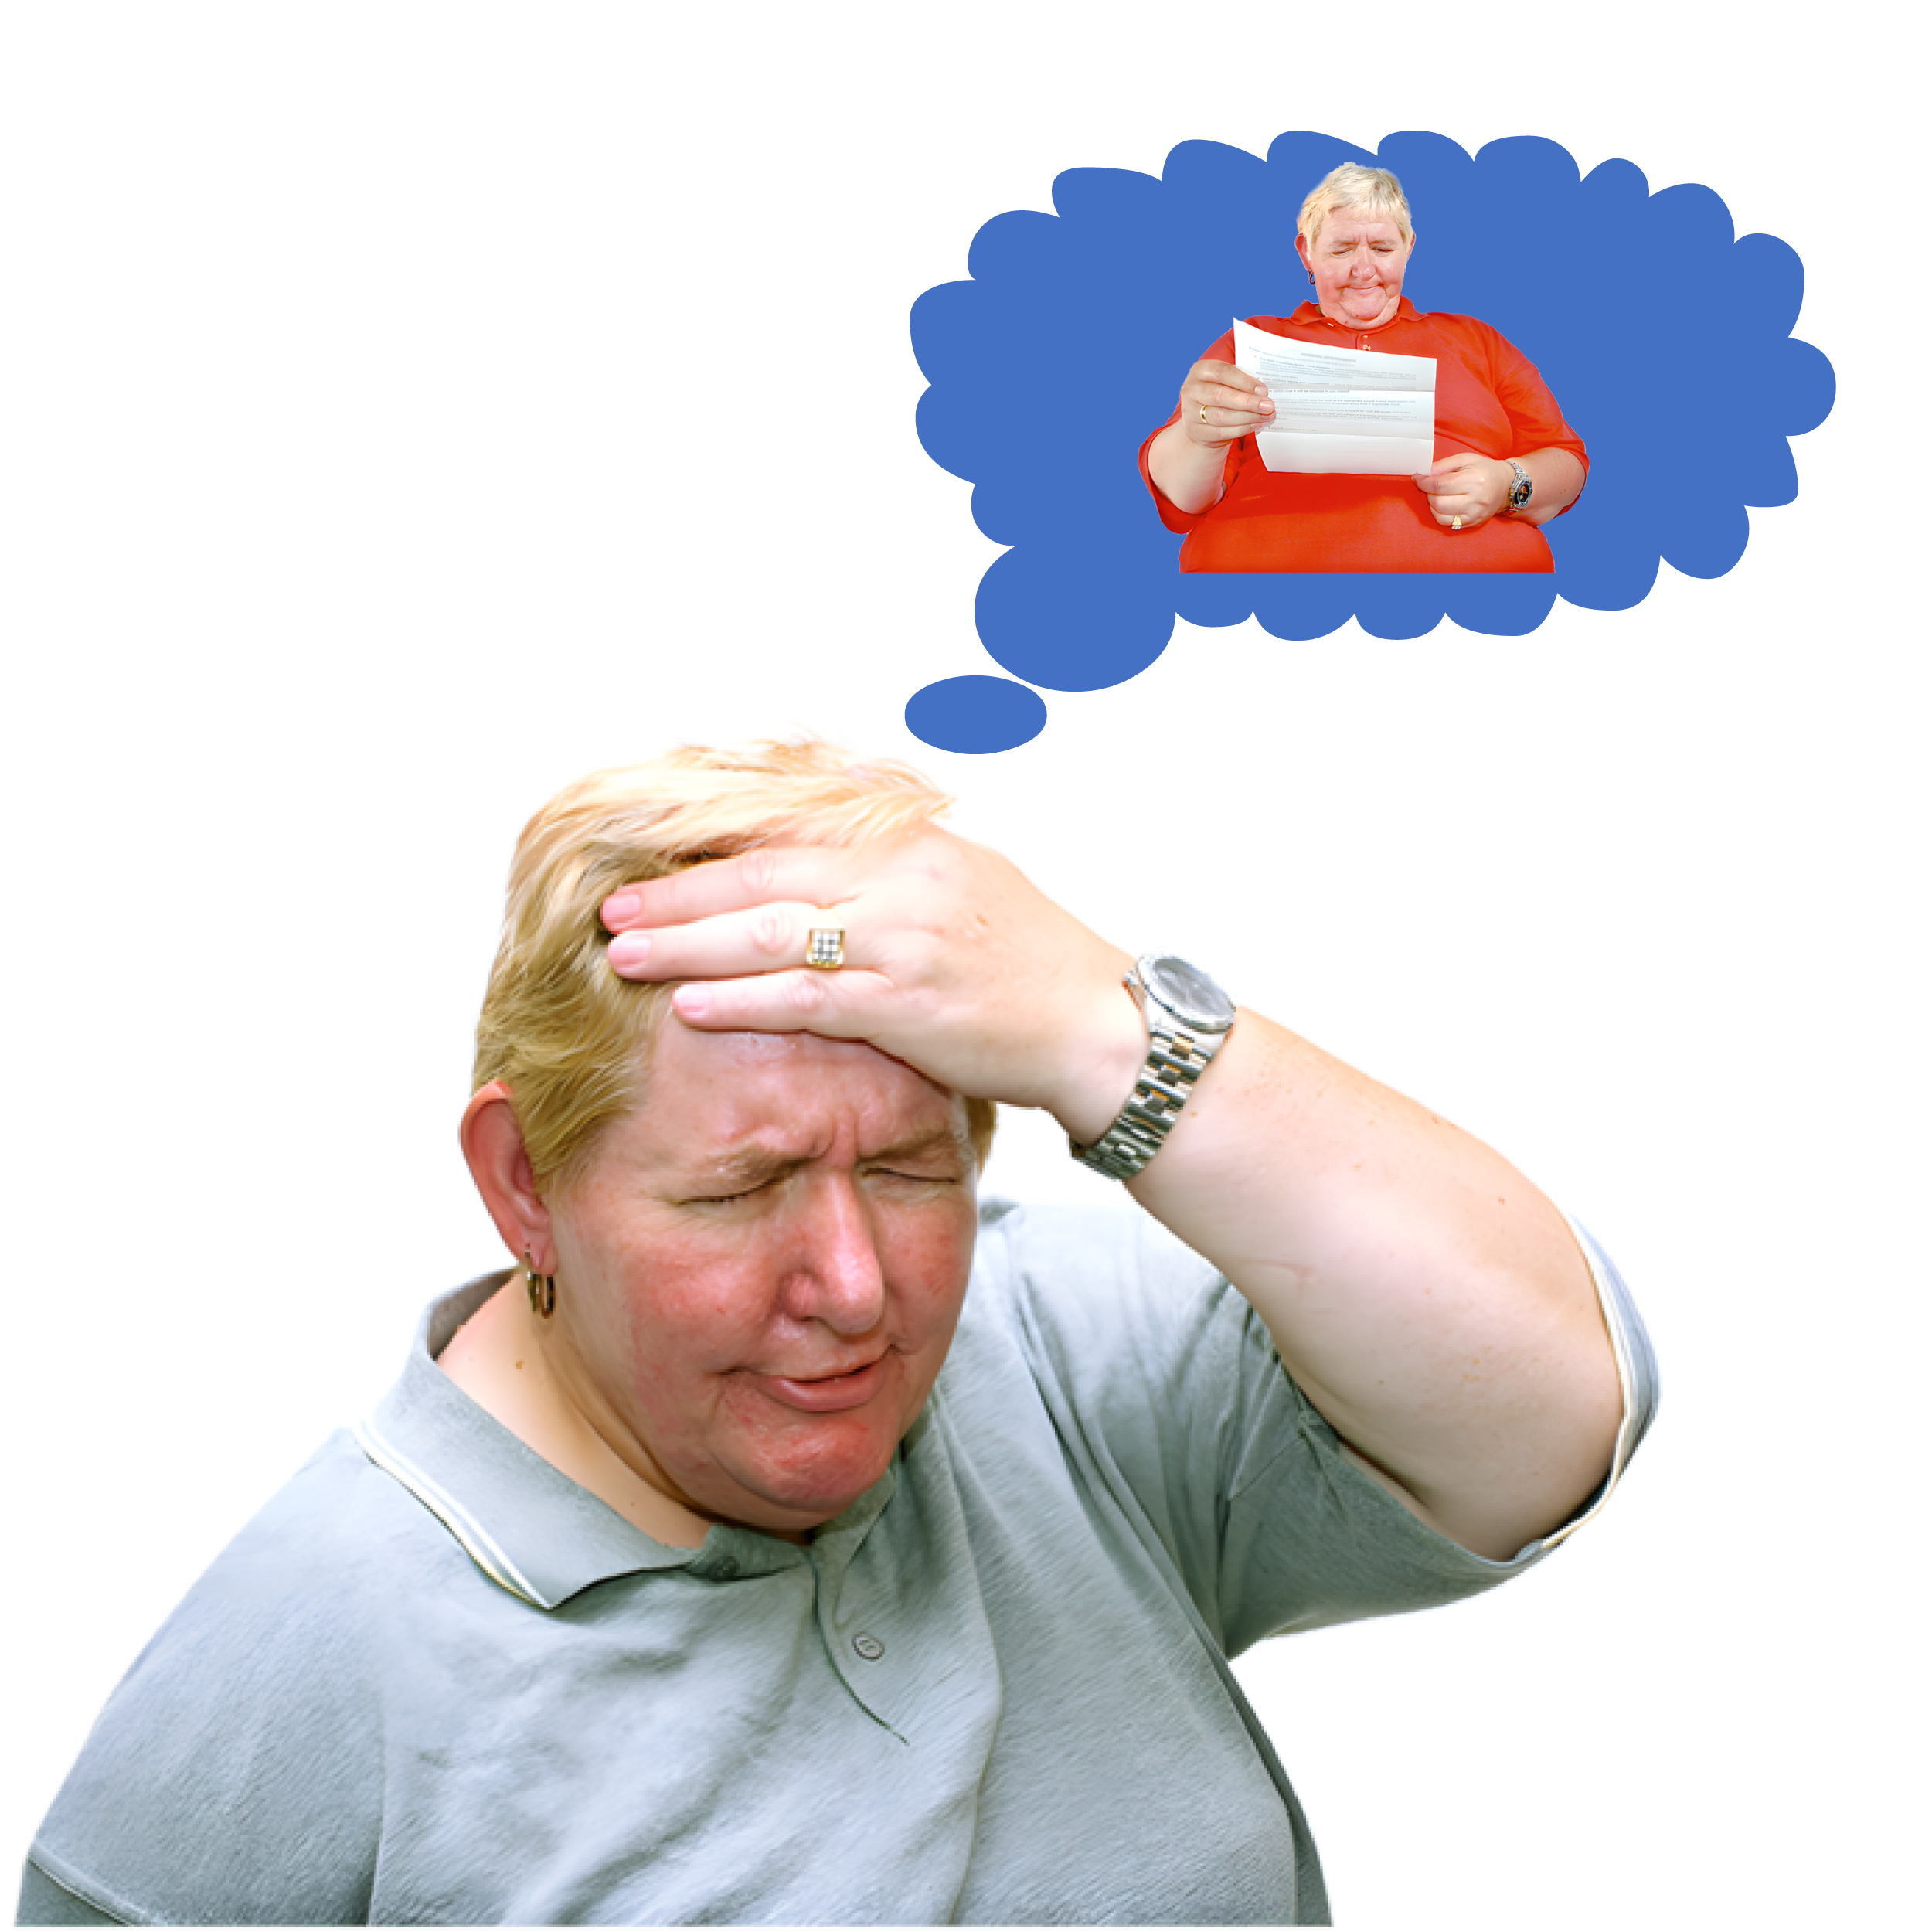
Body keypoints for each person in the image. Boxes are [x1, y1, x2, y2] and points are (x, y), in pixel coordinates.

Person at [19, 713, 1661, 1928]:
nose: (855, 1286)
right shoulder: (313, 1645)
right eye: (740, 1188)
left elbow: (1550, 1408)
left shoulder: (1046, 1345)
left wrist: (1108, 1027)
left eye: (905, 1165)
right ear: (525, 1185)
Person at [1141, 162, 1590, 571]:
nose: (1364, 269)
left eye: (1382, 247)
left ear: (1409, 248)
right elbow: (1181, 501)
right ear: (1307, 253)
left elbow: (1566, 463)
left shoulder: (1478, 341)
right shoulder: (1253, 342)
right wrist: (1197, 437)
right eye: (1341, 250)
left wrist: (1506, 482)